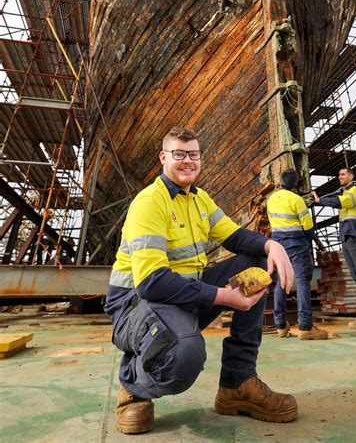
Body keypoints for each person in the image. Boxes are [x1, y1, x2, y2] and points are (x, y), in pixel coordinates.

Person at [104, 126, 297, 435]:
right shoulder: (149, 202)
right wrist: (223, 297)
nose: (188, 161)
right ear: (163, 157)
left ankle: (237, 383)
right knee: (186, 355)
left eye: (193, 154)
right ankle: (133, 386)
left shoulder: (200, 200)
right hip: (135, 305)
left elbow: (235, 237)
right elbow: (152, 282)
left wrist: (270, 245)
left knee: (255, 263)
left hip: (179, 295)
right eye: (179, 154)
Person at [312, 168, 356, 331]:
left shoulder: (355, 191)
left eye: (343, 174)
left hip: (355, 235)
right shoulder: (345, 193)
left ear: (351, 176)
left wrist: (320, 200)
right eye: (338, 175)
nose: (340, 177)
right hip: (347, 237)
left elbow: (341, 203)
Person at [266, 169, 328, 340]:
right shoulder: (296, 200)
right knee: (302, 282)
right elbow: (308, 227)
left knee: (281, 282)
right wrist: (307, 241)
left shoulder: (271, 200)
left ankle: (280, 325)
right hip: (297, 245)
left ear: (281, 181)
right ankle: (305, 326)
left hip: (279, 245)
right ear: (295, 184)